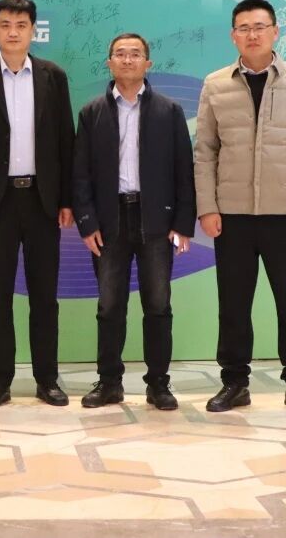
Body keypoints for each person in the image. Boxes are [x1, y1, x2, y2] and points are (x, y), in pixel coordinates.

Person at [194, 0, 286, 414]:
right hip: (231, 215)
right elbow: (205, 151)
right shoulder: (216, 84)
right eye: (244, 28)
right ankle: (234, 383)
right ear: (233, 35)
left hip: (285, 214)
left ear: (275, 31)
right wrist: (207, 207)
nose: (252, 35)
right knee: (233, 304)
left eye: (259, 27)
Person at [0, 0, 75, 408]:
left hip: (42, 200)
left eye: (21, 25)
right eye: (5, 25)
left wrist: (66, 199)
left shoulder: (53, 76)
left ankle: (47, 379)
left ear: (32, 31)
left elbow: (65, 141)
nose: (13, 32)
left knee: (45, 297)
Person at [72, 33, 195, 410]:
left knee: (157, 304)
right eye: (120, 54)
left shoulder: (168, 111)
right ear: (109, 63)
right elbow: (80, 173)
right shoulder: (92, 112)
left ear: (148, 63)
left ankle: (158, 384)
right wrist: (87, 222)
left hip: (156, 219)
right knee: (110, 306)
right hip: (109, 220)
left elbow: (184, 169)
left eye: (135, 54)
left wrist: (183, 222)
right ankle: (109, 382)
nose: (128, 60)